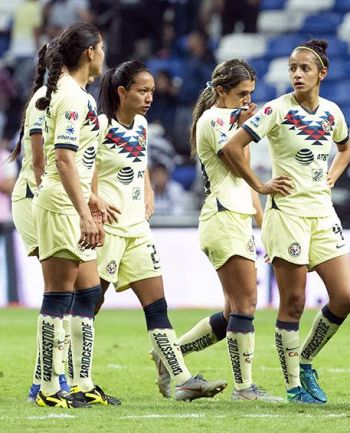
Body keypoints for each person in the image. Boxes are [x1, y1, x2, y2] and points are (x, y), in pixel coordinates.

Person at [221, 39, 350, 404]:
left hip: (322, 212)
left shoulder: (332, 112)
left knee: (346, 297)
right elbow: (231, 148)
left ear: (321, 73)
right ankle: (295, 386)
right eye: (292, 69)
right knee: (293, 303)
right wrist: (261, 185)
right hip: (287, 215)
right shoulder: (276, 110)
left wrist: (333, 175)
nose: (297, 74)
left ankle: (307, 359)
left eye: (305, 69)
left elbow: (346, 148)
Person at [93, 60, 227, 401]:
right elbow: (83, 169)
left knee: (157, 307)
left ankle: (181, 379)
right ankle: (62, 376)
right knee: (89, 305)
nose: (150, 97)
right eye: (142, 90)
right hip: (107, 229)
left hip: (136, 229)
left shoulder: (141, 125)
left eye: (152, 90)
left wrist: (148, 192)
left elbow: (140, 165)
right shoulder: (100, 125)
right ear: (122, 92)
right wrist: (92, 205)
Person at [165, 58, 283, 402]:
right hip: (223, 216)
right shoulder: (214, 119)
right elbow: (238, 166)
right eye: (241, 94)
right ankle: (245, 389)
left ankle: (169, 354)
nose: (248, 101)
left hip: (234, 216)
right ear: (220, 92)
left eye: (250, 94)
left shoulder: (229, 121)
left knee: (234, 309)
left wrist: (264, 223)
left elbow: (242, 175)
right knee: (246, 303)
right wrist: (262, 186)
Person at [31, 22, 116, 408]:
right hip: (61, 205)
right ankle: (49, 388)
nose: (105, 54)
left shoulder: (77, 95)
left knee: (89, 291)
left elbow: (77, 161)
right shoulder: (71, 97)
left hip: (73, 201)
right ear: (90, 53)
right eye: (102, 48)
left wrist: (92, 199)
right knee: (58, 296)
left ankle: (81, 381)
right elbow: (62, 161)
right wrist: (83, 212)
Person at [9, 41, 75, 403]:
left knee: (70, 290)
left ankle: (47, 376)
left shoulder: (66, 98)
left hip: (48, 198)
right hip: (36, 199)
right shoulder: (43, 101)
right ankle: (51, 379)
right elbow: (38, 166)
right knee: (61, 290)